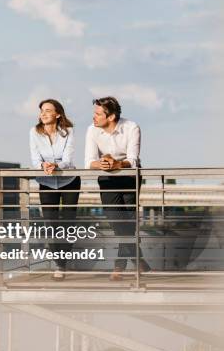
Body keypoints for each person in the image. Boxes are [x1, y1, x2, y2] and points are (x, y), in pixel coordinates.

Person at [85, 96, 150, 281]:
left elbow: (134, 159)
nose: (94, 117)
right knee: (117, 224)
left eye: (98, 114)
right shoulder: (92, 130)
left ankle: (119, 265)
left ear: (111, 116)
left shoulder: (131, 127)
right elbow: (89, 162)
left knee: (127, 224)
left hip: (129, 177)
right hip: (107, 178)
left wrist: (117, 163)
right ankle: (139, 261)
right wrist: (104, 164)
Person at [29, 99, 80, 281]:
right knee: (50, 225)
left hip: (69, 180)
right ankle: (59, 262)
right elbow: (35, 159)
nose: (43, 113)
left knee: (68, 224)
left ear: (58, 114)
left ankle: (63, 262)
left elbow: (68, 158)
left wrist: (56, 165)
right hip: (47, 182)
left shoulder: (68, 132)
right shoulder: (34, 132)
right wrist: (44, 165)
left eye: (48, 110)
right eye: (41, 110)